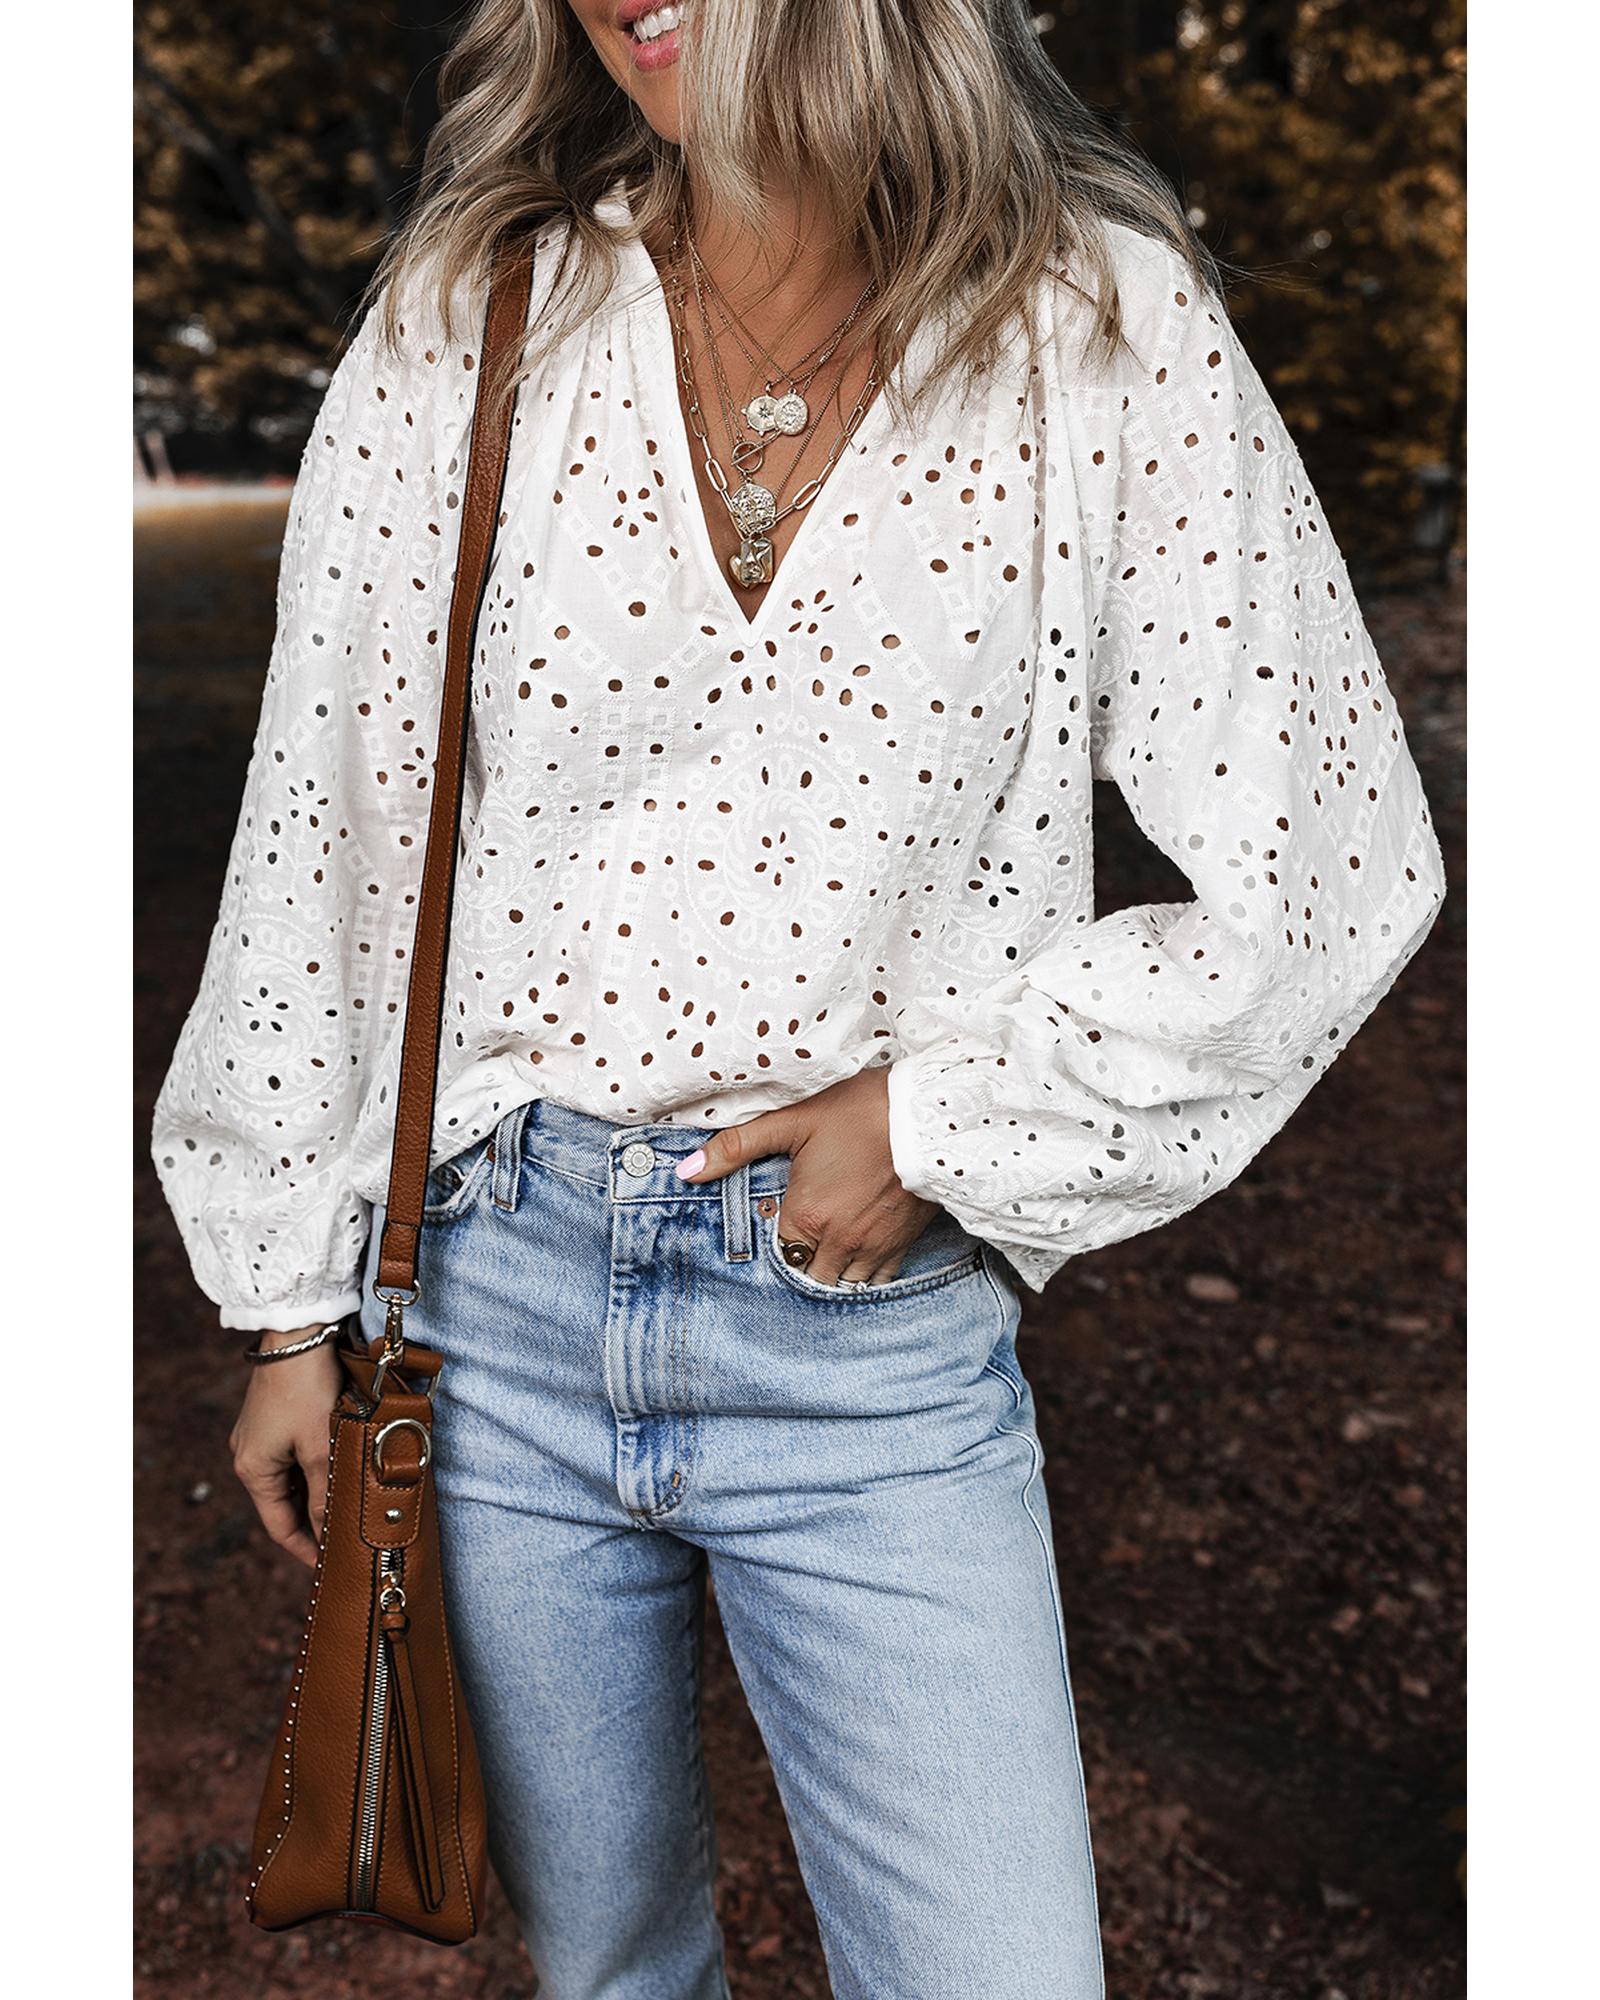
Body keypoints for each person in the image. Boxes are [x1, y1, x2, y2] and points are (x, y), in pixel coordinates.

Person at [150, 2, 1446, 1994]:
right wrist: (290, 1300)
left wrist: (942, 1126)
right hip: (489, 1311)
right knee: (611, 1968)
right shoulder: (475, 312)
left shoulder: (1091, 325)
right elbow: (327, 824)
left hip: (866, 1334)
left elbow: (1331, 857)